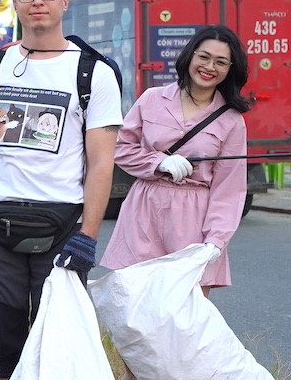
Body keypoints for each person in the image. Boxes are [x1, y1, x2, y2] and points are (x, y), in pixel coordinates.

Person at [0, 0, 124, 380]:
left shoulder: (93, 72)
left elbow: (101, 163)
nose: (37, 1)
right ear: (16, 4)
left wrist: (88, 236)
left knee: (55, 340)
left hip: (62, 225)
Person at [101, 25, 251, 291]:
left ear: (230, 69)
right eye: (203, 57)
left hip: (194, 220)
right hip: (144, 211)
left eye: (221, 62)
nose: (209, 66)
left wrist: (216, 240)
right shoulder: (152, 99)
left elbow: (230, 188)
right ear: (190, 56)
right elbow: (121, 147)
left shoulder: (231, 121)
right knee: (134, 306)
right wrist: (157, 162)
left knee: (186, 313)